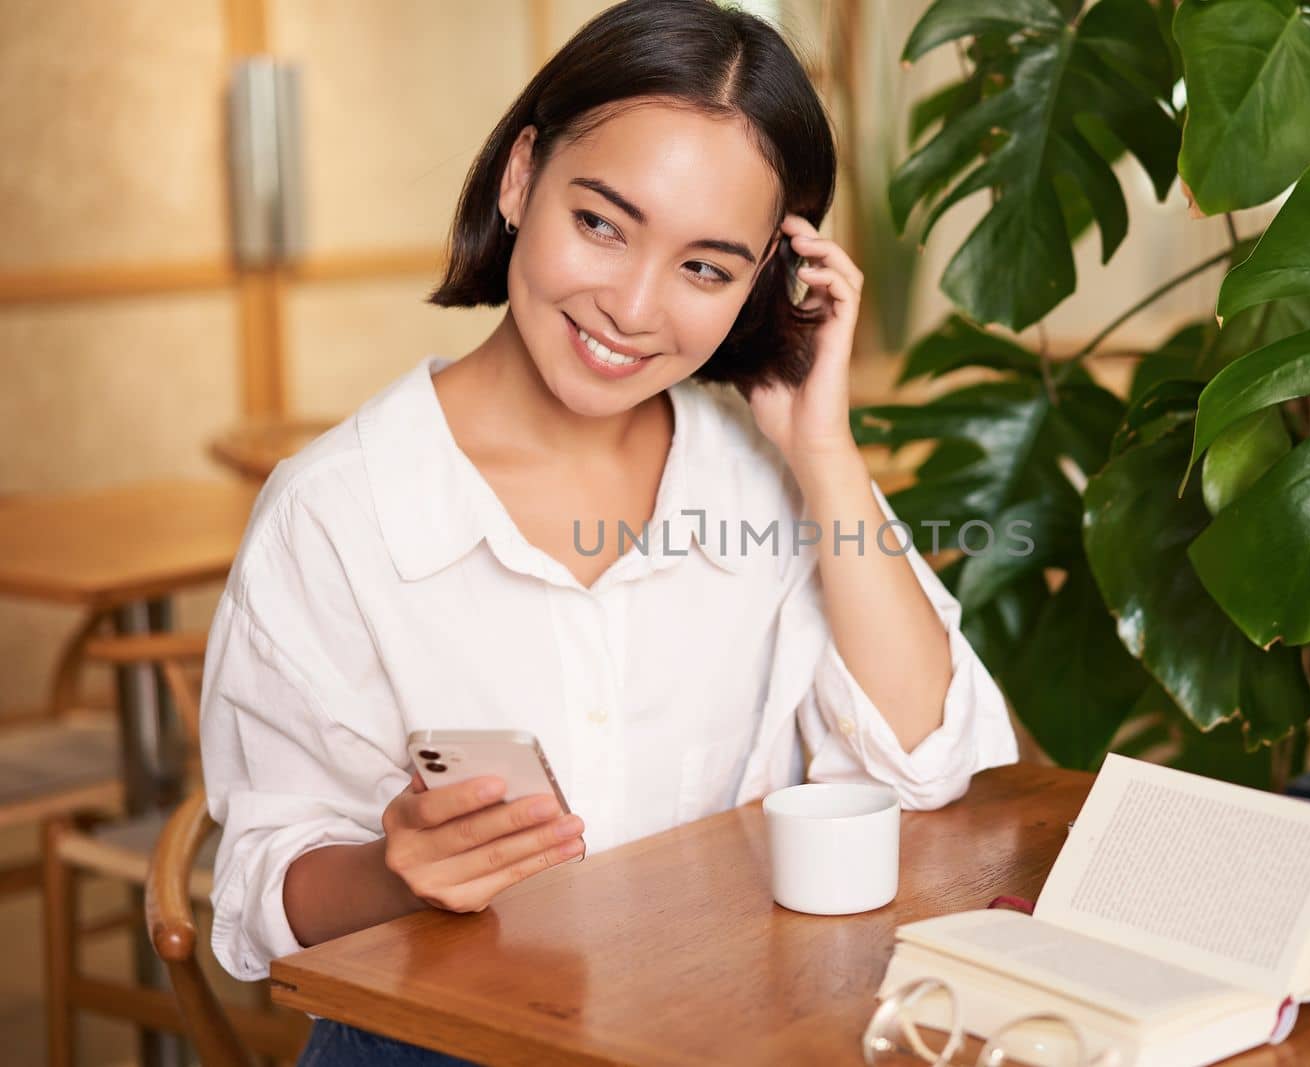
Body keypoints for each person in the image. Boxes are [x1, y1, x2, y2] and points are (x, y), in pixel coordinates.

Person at [200, 0, 1018, 1060]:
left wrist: (822, 447)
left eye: (705, 268)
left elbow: (926, 763)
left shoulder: (766, 477)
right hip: (432, 1043)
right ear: (519, 177)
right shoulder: (336, 508)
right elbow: (261, 885)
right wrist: (393, 868)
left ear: (766, 278)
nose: (633, 306)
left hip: (719, 1025)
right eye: (600, 223)